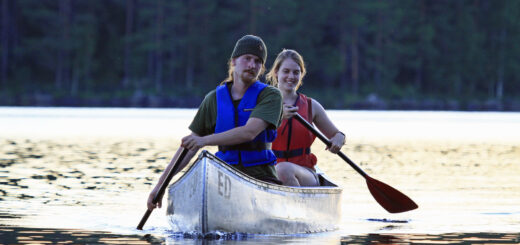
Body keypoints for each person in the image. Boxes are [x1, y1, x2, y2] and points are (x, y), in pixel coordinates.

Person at [147, 35, 283, 211]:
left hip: (262, 180)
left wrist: (204, 140)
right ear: (234, 61)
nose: (252, 65)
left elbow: (249, 132)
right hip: (223, 180)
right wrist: (160, 186)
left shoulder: (271, 96)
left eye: (258, 61)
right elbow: (189, 146)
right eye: (247, 58)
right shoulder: (213, 99)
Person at [266, 49, 346, 187]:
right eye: (286, 71)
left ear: (301, 75)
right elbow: (250, 135)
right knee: (279, 170)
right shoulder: (263, 104)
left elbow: (337, 135)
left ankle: (295, 205)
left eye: (296, 72)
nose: (291, 76)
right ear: (276, 73)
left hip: (304, 172)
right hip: (267, 170)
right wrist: (278, 116)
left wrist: (339, 138)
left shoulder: (311, 106)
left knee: (283, 169)